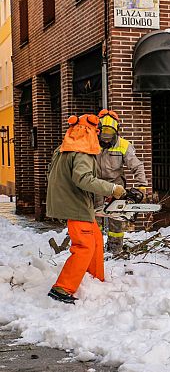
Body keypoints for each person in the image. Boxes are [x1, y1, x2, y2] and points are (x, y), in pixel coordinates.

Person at [46, 114, 126, 304]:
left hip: (73, 202)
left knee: (96, 239)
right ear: (90, 131)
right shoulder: (81, 151)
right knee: (84, 246)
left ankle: (93, 279)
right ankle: (62, 288)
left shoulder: (63, 148)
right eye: (97, 131)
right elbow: (83, 179)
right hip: (76, 206)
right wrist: (112, 189)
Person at [96, 109, 148, 253]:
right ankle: (95, 248)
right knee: (94, 221)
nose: (106, 140)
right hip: (95, 186)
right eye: (103, 136)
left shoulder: (124, 145)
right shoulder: (91, 143)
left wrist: (142, 185)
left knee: (116, 221)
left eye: (109, 136)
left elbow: (136, 164)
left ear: (116, 132)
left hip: (116, 187)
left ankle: (115, 249)